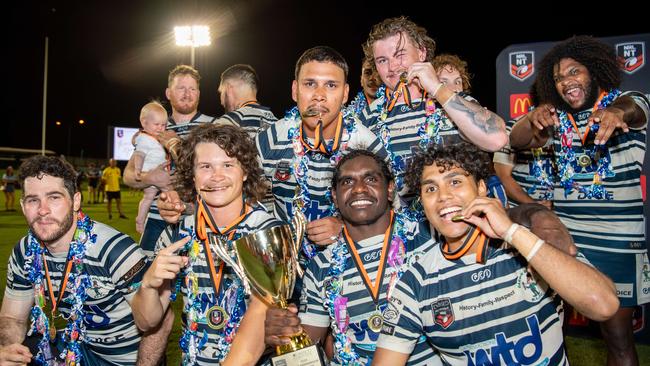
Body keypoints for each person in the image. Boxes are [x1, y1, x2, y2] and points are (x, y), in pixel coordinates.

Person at [371, 142, 619, 365]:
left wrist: (512, 232)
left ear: (481, 189)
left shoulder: (532, 244)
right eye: (430, 189)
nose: (443, 197)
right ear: (423, 203)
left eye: (455, 182)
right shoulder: (416, 282)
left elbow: (604, 305)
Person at [509, 35, 649, 366]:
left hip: (617, 244)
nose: (566, 82)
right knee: (550, 331)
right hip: (565, 239)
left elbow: (638, 107)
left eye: (575, 72)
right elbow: (516, 140)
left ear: (594, 72)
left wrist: (616, 112)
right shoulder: (554, 120)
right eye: (558, 78)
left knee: (618, 340)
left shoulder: (625, 103)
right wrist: (532, 120)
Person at [263, 150, 440, 365]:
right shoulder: (321, 265)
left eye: (371, 179)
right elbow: (308, 341)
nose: (358, 189)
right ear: (335, 197)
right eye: (347, 182)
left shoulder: (428, 239)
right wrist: (284, 332)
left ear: (390, 189)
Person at [131, 124, 283, 365]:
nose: (216, 176)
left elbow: (260, 312)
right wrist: (149, 284)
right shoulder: (177, 233)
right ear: (192, 175)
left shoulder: (265, 231)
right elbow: (145, 321)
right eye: (205, 167)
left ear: (245, 172)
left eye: (227, 165)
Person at [0, 155, 149, 365]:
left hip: (122, 359)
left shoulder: (114, 249)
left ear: (75, 201)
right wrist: (9, 350)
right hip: (74, 347)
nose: (43, 210)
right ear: (24, 206)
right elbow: (12, 318)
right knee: (27, 348)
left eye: (54, 197)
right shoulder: (24, 252)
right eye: (33, 200)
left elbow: (158, 323)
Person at [255, 46, 388, 264]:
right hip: (284, 267)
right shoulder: (271, 139)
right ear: (294, 89)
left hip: (347, 264)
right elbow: (238, 195)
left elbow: (393, 211)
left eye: (331, 85)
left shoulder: (366, 145)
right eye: (310, 84)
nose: (319, 96)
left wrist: (346, 227)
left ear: (345, 94)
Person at [359, 16, 507, 205]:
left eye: (400, 54)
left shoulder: (452, 102)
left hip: (458, 221)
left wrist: (437, 89)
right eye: (382, 60)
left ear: (421, 53)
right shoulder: (366, 118)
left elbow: (497, 139)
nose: (392, 67)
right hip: (399, 229)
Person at [494, 85, 555, 208]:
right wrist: (534, 205)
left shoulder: (569, 130)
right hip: (523, 210)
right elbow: (503, 176)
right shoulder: (512, 128)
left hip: (563, 213)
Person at [132, 101, 170, 234]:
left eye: (164, 125)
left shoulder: (155, 138)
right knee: (166, 193)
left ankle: (141, 219)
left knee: (151, 197)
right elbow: (139, 154)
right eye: (157, 124)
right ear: (144, 123)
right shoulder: (144, 138)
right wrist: (137, 169)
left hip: (159, 172)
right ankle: (141, 220)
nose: (160, 128)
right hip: (150, 173)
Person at [212, 64, 278, 139]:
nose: (222, 102)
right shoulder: (277, 123)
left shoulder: (230, 121)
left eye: (221, 92)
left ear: (228, 88)